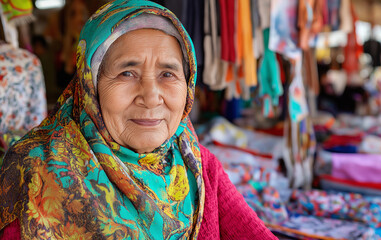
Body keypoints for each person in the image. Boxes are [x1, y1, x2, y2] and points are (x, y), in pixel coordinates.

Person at [0, 1, 277, 239]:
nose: (150, 96)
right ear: (90, 86)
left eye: (168, 74)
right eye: (127, 73)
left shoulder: (199, 166)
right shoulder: (34, 172)